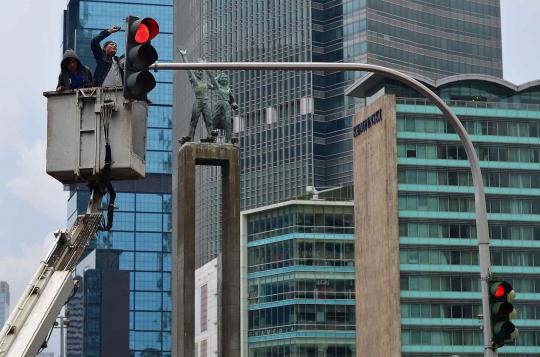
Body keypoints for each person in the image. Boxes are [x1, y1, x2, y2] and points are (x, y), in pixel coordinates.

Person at [178, 49, 215, 143]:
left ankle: (210, 135)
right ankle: (190, 137)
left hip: (205, 102)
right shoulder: (194, 80)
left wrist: (207, 68)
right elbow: (188, 69)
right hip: (198, 101)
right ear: (195, 73)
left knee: (209, 120)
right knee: (194, 121)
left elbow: (215, 85)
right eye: (198, 71)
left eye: (201, 72)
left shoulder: (205, 83)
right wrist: (184, 56)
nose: (200, 73)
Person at [209, 72, 238, 143]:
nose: (225, 79)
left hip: (227, 105)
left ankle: (228, 139)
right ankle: (211, 137)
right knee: (213, 120)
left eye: (225, 78)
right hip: (219, 104)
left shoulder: (228, 89)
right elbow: (212, 81)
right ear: (220, 80)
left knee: (228, 122)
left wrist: (234, 104)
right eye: (223, 78)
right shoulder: (217, 86)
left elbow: (232, 100)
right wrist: (219, 76)